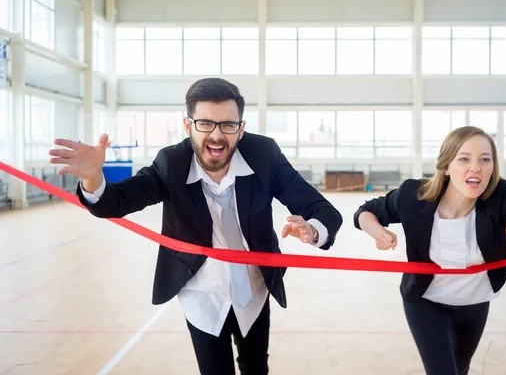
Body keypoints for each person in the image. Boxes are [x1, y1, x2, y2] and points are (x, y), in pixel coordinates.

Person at [49, 77, 343, 375]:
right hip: (202, 295)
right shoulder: (171, 163)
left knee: (256, 368)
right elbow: (117, 201)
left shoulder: (264, 155)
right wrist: (92, 179)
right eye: (205, 123)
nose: (216, 135)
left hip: (255, 289)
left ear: (241, 129)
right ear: (188, 125)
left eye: (228, 125)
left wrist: (314, 229)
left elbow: (321, 210)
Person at [353, 126, 506, 375]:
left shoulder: (497, 197)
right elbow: (365, 212)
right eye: (464, 159)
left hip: (474, 303)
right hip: (425, 301)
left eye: (485, 160)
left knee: (460, 370)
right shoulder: (413, 195)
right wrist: (377, 231)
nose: (476, 167)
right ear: (446, 166)